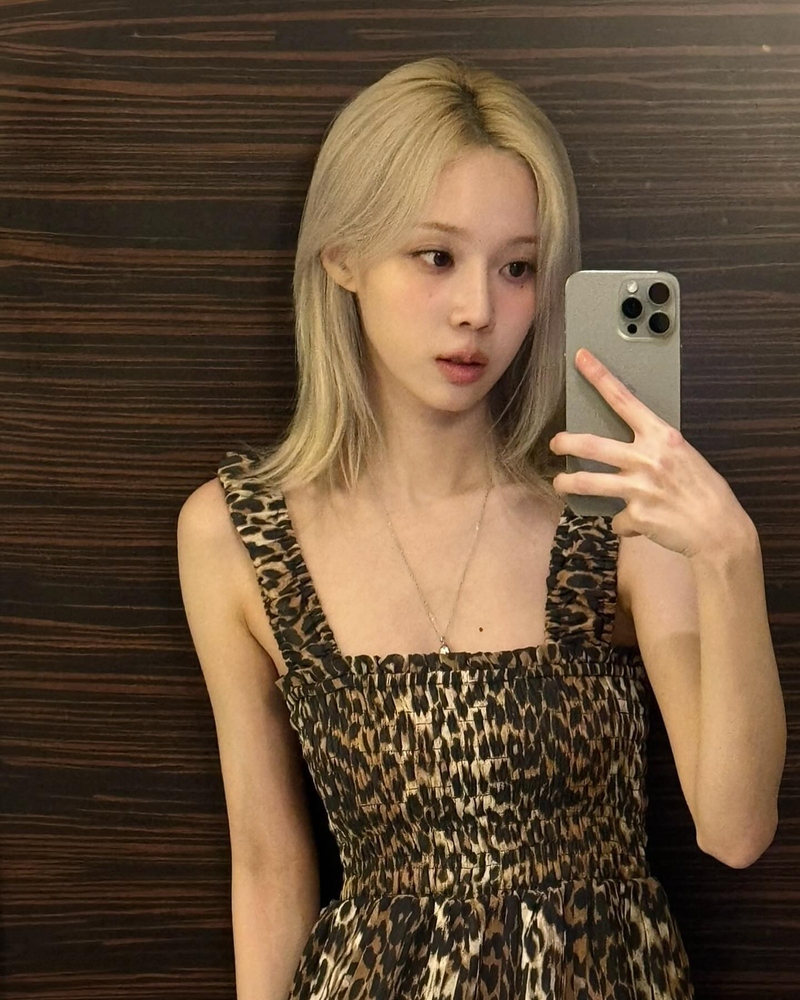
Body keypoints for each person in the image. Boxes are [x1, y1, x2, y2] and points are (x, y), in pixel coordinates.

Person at [177, 57, 786, 1000]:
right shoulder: (236, 533)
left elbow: (734, 831)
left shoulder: (613, 510)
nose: (478, 312)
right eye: (436, 257)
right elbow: (266, 863)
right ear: (342, 256)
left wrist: (729, 556)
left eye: (517, 268)